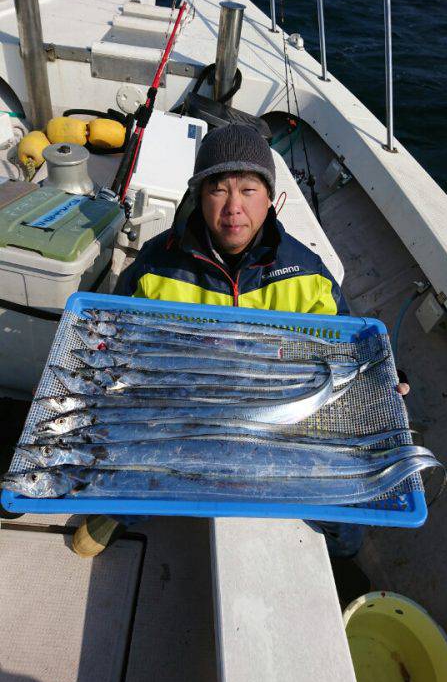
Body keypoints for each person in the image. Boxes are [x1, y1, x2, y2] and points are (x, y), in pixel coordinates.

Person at [72, 123, 405, 558]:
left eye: (248, 189)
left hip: (279, 414)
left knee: (348, 523)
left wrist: (381, 380)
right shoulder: (155, 267)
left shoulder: (307, 273)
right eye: (218, 189)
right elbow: (115, 345)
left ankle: (339, 547)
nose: (234, 207)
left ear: (270, 198)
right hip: (180, 411)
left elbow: (340, 350)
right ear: (197, 194)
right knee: (132, 469)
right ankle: (127, 510)